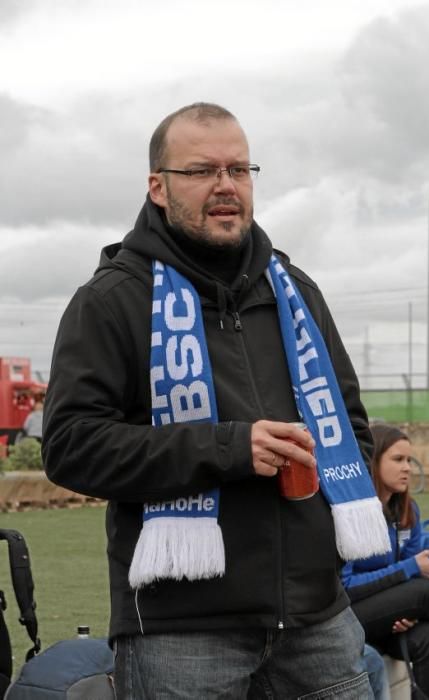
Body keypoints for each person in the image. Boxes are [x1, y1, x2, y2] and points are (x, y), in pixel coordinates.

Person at [42, 102, 389, 698]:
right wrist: (229, 448)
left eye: (240, 169)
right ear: (158, 187)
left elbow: (354, 432)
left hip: (318, 618)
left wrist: (322, 540)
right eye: (201, 170)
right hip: (182, 632)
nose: (226, 186)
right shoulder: (112, 300)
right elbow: (72, 447)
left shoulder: (297, 292)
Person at [342, 423, 429, 700]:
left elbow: (408, 585)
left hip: (391, 619)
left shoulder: (409, 512)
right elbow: (345, 586)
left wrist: (408, 611)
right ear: (373, 462)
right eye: (398, 459)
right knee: (426, 592)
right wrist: (410, 570)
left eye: (409, 460)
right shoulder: (351, 514)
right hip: (350, 617)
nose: (408, 467)